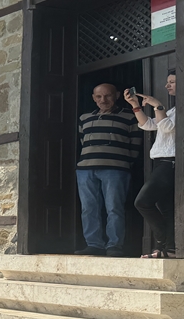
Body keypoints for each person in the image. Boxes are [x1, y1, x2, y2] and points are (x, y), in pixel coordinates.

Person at [76, 83, 143, 257]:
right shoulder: (84, 118)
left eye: (107, 96)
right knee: (88, 208)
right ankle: (94, 244)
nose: (103, 100)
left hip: (116, 169)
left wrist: (125, 163)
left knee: (114, 207)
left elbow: (135, 144)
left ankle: (114, 245)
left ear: (117, 95)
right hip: (85, 169)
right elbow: (83, 141)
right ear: (93, 98)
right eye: (98, 97)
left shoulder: (129, 117)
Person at [127, 70, 177, 258]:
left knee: (142, 202)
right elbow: (149, 125)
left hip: (169, 163)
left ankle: (162, 240)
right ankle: (168, 250)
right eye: (168, 81)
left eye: (172, 82)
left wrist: (157, 105)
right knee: (166, 208)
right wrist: (135, 106)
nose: (167, 85)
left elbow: (168, 127)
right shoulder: (171, 111)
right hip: (159, 163)